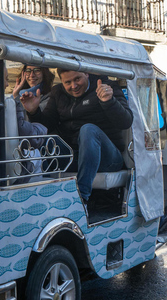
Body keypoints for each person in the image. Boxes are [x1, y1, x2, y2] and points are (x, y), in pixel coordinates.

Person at [20, 69, 133, 202]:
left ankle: (81, 197)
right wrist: (33, 112)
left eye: (77, 79)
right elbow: (47, 126)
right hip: (74, 156)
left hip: (107, 158)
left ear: (86, 73)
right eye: (68, 82)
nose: (73, 86)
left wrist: (109, 101)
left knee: (88, 130)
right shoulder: (58, 92)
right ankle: (36, 195)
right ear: (62, 81)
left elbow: (126, 122)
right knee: (45, 141)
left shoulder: (106, 86)